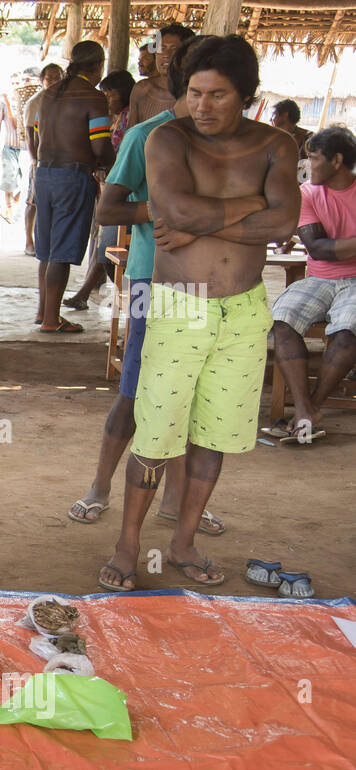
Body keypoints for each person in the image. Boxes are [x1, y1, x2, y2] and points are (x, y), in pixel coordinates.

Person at [98, 36, 299, 592]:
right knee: (155, 433)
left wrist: (207, 222)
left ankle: (183, 542)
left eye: (217, 95)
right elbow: (175, 208)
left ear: (247, 96)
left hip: (244, 307)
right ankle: (127, 545)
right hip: (176, 300)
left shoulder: (275, 144)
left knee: (215, 435)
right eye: (195, 93)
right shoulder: (167, 138)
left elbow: (284, 225)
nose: (203, 106)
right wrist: (255, 205)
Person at [69, 37, 225, 535]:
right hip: (150, 279)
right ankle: (98, 486)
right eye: (204, 87)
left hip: (211, 284)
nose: (211, 101)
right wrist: (170, 213)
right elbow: (109, 210)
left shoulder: (227, 141)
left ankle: (176, 501)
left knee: (195, 396)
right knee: (136, 390)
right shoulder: (146, 136)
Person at [269, 125, 356, 439]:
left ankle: (311, 406)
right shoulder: (306, 194)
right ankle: (305, 407)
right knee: (282, 322)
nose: (307, 167)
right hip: (319, 277)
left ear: (337, 160)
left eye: (313, 159)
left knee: (348, 332)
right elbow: (318, 247)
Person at [32, 41, 114, 334]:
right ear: (98, 66)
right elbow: (100, 144)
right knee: (61, 252)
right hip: (73, 175)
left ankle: (43, 312)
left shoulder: (48, 94)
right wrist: (110, 165)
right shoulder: (93, 97)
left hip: (43, 175)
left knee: (46, 249)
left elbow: (38, 136)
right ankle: (52, 320)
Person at [63, 68, 136, 311]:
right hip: (107, 187)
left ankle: (98, 294)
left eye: (109, 93)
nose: (105, 99)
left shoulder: (128, 119)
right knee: (104, 246)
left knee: (107, 246)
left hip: (121, 192)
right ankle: (97, 294)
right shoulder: (115, 118)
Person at [24, 63, 64, 255]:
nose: (54, 81)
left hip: (58, 161)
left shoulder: (64, 101)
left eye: (58, 77)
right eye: (50, 78)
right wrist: (35, 162)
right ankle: (28, 240)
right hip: (40, 161)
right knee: (33, 201)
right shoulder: (35, 102)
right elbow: (30, 136)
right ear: (42, 81)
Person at [129, 23, 195, 125]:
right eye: (162, 48)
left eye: (174, 49)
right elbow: (131, 134)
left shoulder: (195, 93)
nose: (166, 55)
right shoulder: (141, 89)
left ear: (187, 53)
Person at [0, 80, 28, 221]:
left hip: (24, 149)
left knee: (25, 183)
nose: (17, 85)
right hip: (9, 148)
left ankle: (11, 207)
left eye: (19, 81)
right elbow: (0, 126)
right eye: (13, 82)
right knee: (9, 181)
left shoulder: (26, 103)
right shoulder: (4, 104)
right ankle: (9, 211)